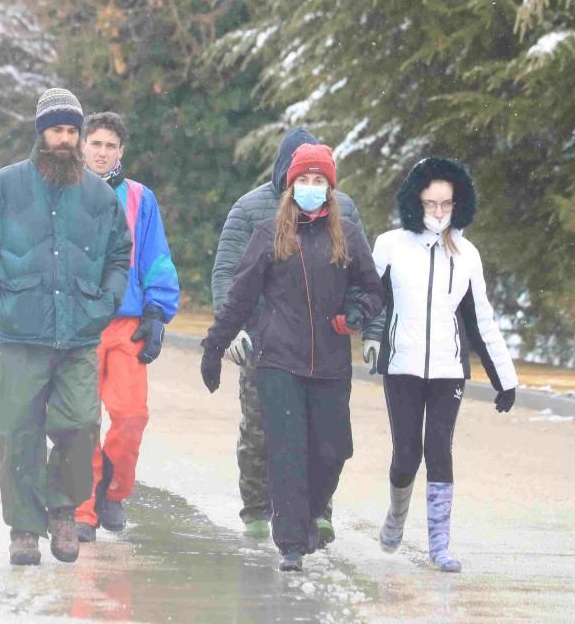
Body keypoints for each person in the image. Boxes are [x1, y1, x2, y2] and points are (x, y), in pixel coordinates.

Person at [0, 88, 131, 566]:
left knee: (79, 426)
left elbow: (120, 253)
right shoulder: (4, 187)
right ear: (41, 133)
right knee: (19, 432)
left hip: (79, 333)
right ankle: (24, 529)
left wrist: (107, 300)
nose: (66, 140)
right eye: (57, 130)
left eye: (73, 131)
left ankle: (62, 510)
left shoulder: (98, 196)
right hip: (20, 333)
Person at [200, 143, 384, 571]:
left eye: (319, 181)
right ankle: (291, 545)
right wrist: (214, 347)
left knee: (333, 449)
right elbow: (240, 295)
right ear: (290, 185)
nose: (311, 188)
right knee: (286, 451)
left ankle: (310, 515)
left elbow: (373, 290)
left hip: (332, 363)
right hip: (278, 359)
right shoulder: (269, 233)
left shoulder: (348, 235)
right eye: (304, 180)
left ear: (330, 188)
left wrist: (358, 313)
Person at [372, 157, 518, 573]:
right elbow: (367, 299)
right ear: (414, 203)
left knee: (439, 449)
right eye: (430, 204)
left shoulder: (467, 255)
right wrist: (356, 329)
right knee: (406, 455)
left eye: (446, 204)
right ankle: (396, 518)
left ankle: (440, 546)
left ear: (459, 204)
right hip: (401, 365)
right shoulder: (390, 246)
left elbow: (480, 319)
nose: (438, 213)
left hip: (448, 371)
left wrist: (504, 379)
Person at [73, 112, 180, 542]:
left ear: (122, 151)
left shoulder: (140, 198)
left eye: (109, 146)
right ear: (82, 146)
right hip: (78, 325)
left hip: (127, 323)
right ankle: (81, 509)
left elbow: (156, 257)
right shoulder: (62, 192)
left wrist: (157, 312)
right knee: (79, 420)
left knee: (131, 415)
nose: (101, 152)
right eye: (94, 143)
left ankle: (112, 492)